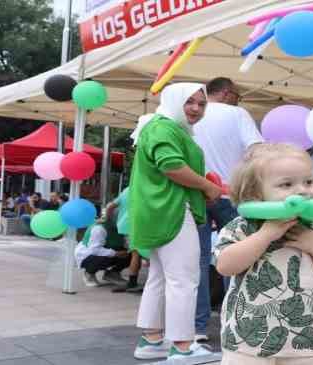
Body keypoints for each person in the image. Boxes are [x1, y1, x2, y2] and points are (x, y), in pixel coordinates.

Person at [215, 143, 313, 364]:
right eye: (286, 184)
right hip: (246, 343)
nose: (302, 190)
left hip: (307, 341)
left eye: (308, 182)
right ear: (254, 194)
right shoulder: (242, 227)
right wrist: (265, 235)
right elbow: (225, 266)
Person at [128, 83, 222, 361]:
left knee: (158, 277)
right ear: (174, 101)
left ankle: (152, 339)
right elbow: (171, 166)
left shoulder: (160, 126)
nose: (195, 108)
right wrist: (207, 186)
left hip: (157, 210)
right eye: (189, 102)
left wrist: (202, 187)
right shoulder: (165, 128)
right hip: (172, 210)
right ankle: (183, 346)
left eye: (201, 104)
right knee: (184, 279)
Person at [192, 77, 264, 342]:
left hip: (195, 194)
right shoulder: (237, 113)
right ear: (224, 93)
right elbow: (257, 149)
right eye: (237, 95)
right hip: (229, 194)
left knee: (197, 263)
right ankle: (232, 321)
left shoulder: (191, 115)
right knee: (237, 257)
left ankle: (197, 327)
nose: (238, 100)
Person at [75, 215, 131, 287]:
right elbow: (94, 250)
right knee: (104, 257)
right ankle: (89, 274)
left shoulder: (121, 228)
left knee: (131, 254)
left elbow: (126, 243)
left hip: (106, 249)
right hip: (87, 255)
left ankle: (112, 274)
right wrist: (116, 253)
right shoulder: (99, 228)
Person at [107, 188, 144, 293]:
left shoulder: (127, 190)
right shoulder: (144, 188)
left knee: (136, 254)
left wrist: (107, 219)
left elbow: (110, 207)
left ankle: (132, 282)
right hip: (138, 225)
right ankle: (132, 283)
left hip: (125, 225)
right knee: (138, 254)